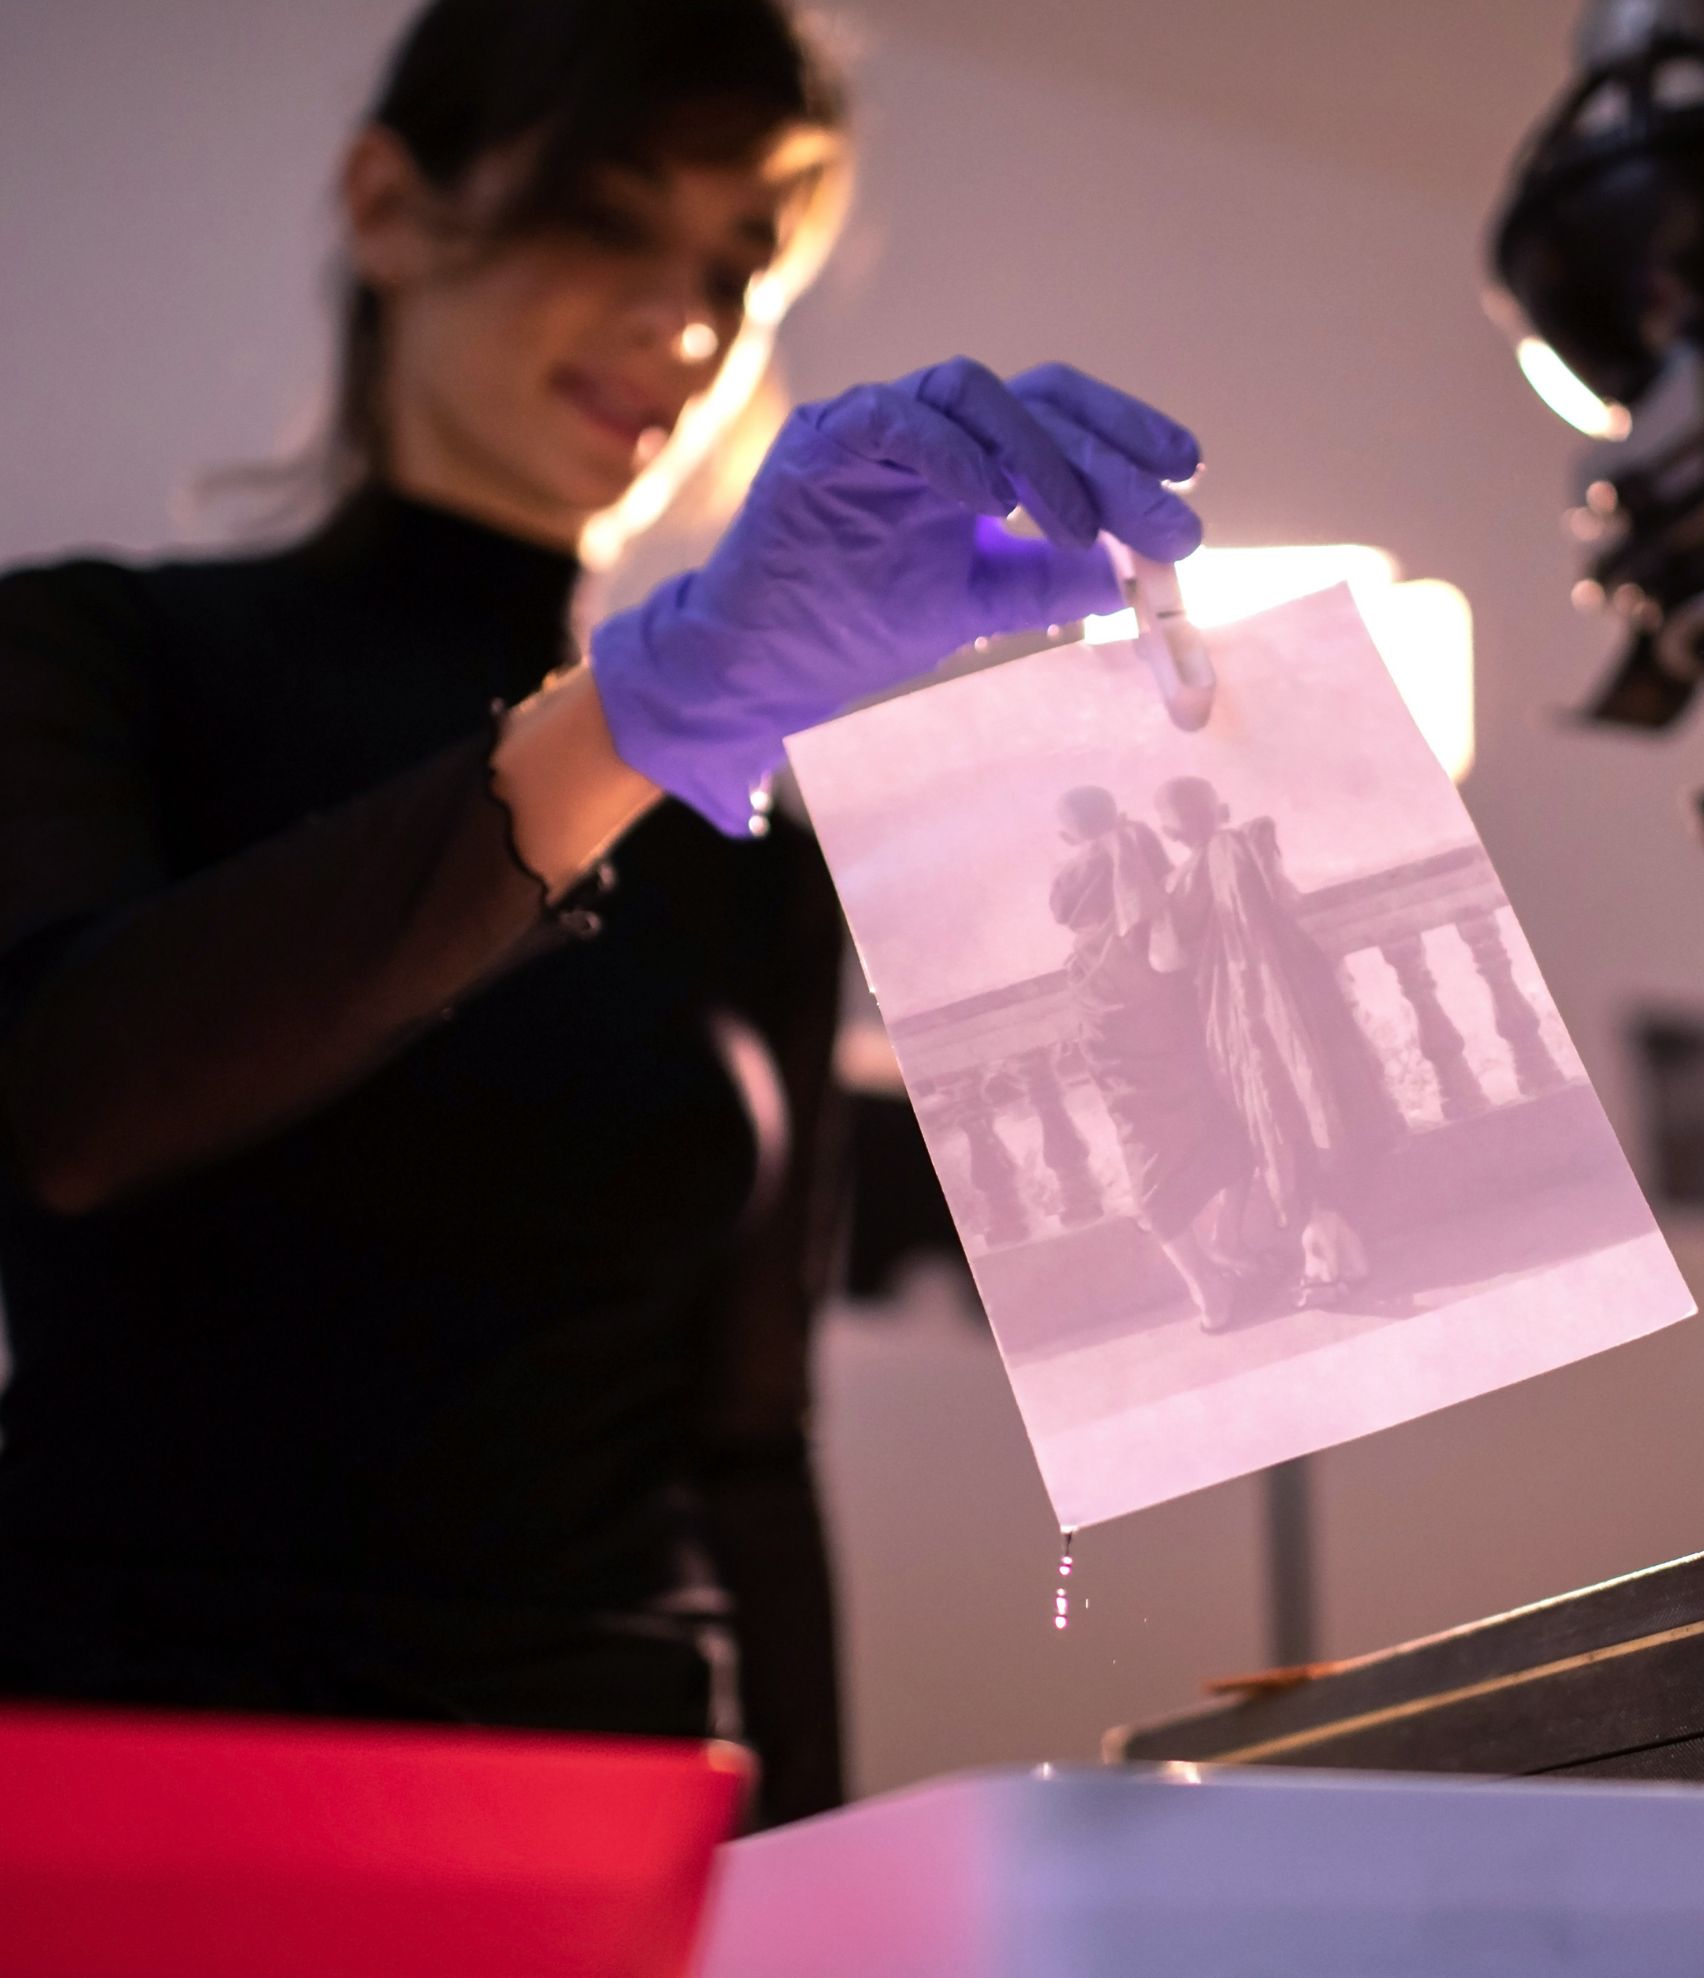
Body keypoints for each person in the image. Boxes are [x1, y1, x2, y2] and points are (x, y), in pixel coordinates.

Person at [0, 0, 1204, 1826]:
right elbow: (74, 1107)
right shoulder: (98, 655)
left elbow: (742, 1445)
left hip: (603, 1805)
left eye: (742, 263)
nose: (693, 321)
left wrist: (812, 1878)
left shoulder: (746, 856)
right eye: (613, 219)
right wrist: (653, 704)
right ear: (390, 204)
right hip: (136, 1782)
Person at [1151, 777, 1401, 1304]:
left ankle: (1327, 1250)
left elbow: (1167, 959)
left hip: (1236, 1017)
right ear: (1219, 807)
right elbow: (1288, 900)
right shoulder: (1248, 844)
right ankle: (1334, 1245)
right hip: (1297, 997)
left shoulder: (1183, 883)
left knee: (1281, 1120)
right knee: (1320, 1104)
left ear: (1170, 831)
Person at [1047, 787, 1249, 1327]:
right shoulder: (1138, 843)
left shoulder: (1067, 881)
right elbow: (1172, 907)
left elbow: (1068, 916)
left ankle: (1206, 1287)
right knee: (1224, 1111)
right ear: (1116, 813)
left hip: (1106, 1020)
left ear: (1067, 836)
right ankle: (1229, 1233)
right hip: (1167, 1011)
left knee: (1144, 1148)